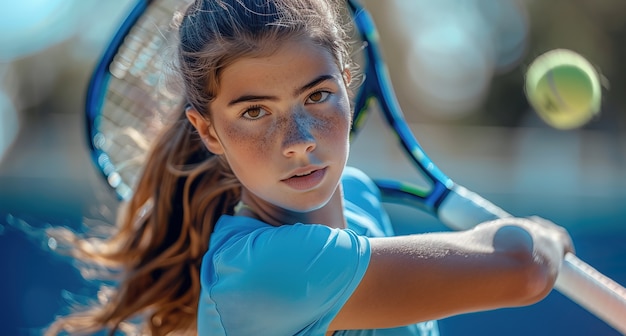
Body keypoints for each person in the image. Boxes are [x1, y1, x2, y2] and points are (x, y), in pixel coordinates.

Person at [46, 0, 574, 335]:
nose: (298, 142)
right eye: (255, 112)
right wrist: (543, 237)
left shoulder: (358, 196)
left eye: (318, 96)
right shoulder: (262, 274)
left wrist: (522, 245)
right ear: (209, 132)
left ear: (348, 85)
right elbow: (522, 269)